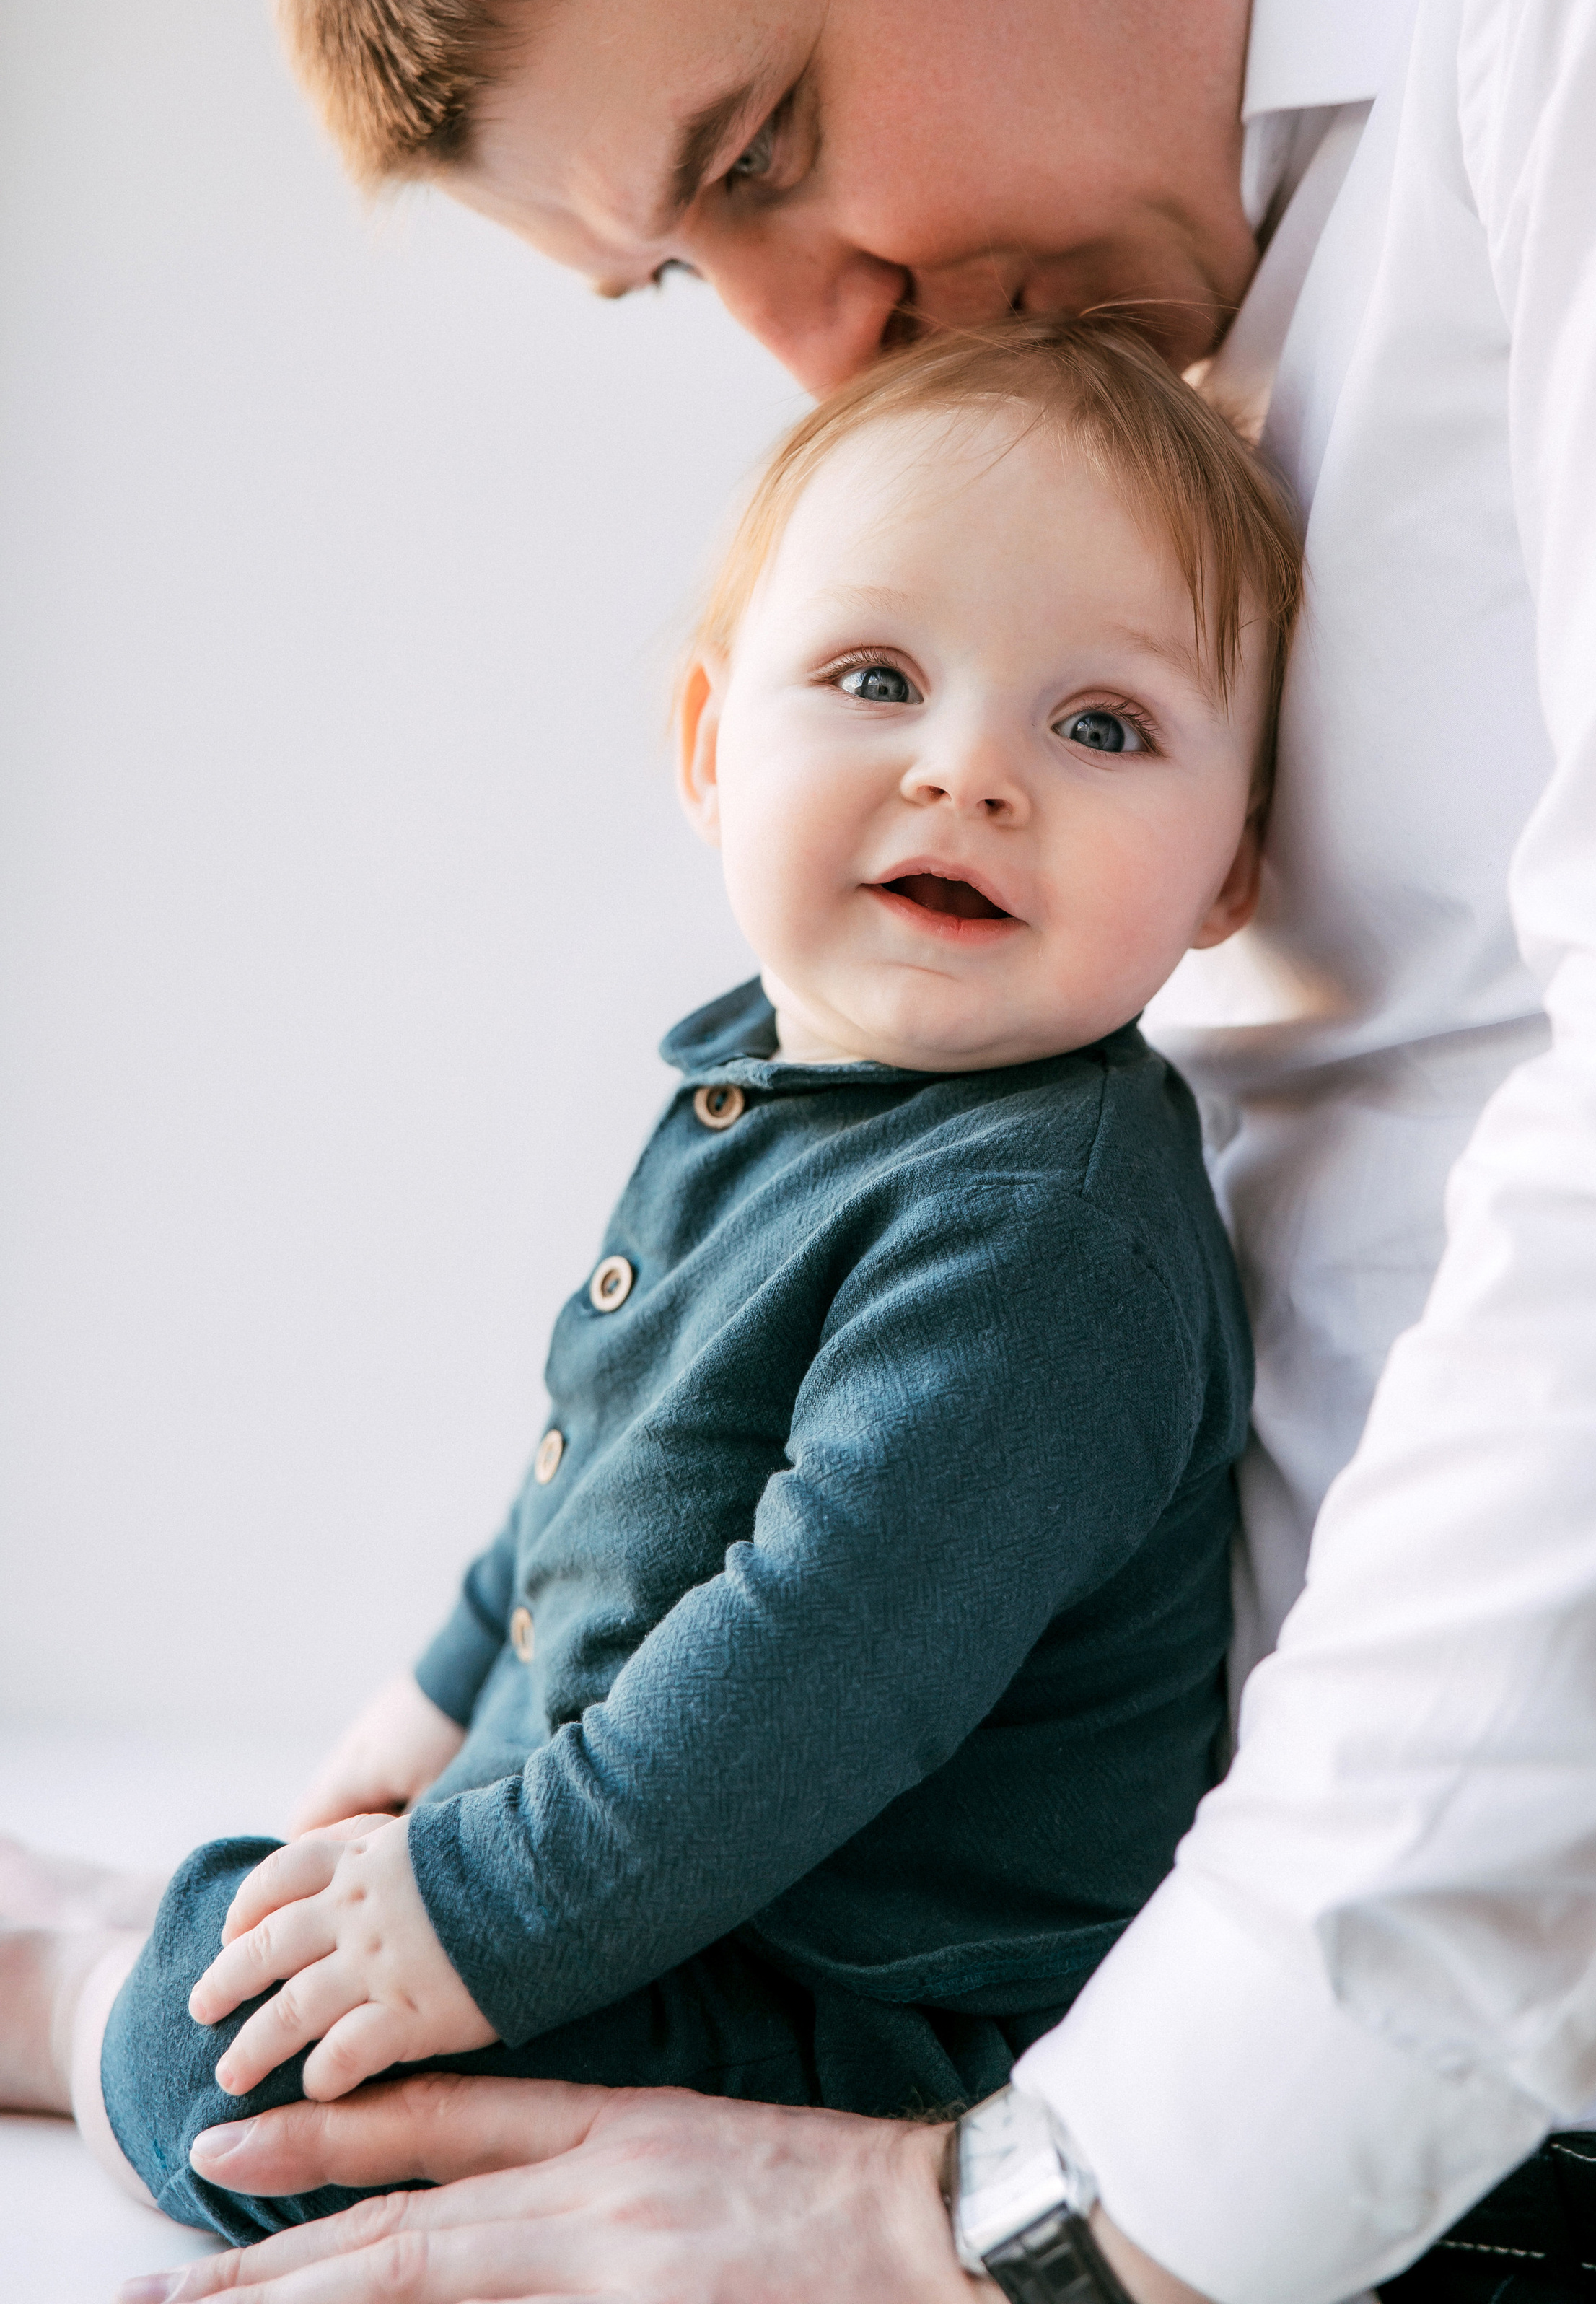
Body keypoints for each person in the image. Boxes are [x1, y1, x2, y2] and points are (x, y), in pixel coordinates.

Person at [108, 0, 1596, 2298]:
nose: (826, 352)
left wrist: (1016, 2228)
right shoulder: (1176, 393)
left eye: (764, 145)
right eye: (689, 270)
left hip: (1587, 2170)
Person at [0, 319, 1302, 2241]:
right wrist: (434, 1711)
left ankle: (58, 1994)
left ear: (1225, 878)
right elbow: (597, 1465)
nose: (972, 774)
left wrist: (475, 1914)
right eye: (878, 677)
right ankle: (141, 1913)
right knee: (299, 1897)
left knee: (256, 2083)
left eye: (1098, 726)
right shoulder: (769, 1091)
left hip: (861, 2013)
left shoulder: (1047, 1239)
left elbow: (807, 1675)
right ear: (713, 746)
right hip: (656, 1863)